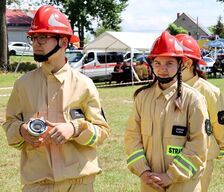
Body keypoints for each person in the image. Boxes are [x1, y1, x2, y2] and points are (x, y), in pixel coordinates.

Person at [2, 5, 110, 192]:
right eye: (33, 37)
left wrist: (75, 128)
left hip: (78, 184)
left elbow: (101, 132)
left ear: (63, 42)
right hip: (37, 184)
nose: (36, 42)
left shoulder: (84, 84)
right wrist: (21, 130)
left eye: (43, 37)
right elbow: (9, 123)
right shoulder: (23, 85)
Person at [124, 31, 209, 192]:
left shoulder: (194, 99)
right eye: (158, 63)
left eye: (169, 63)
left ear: (180, 65)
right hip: (150, 183)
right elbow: (131, 136)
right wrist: (143, 171)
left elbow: (199, 144)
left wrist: (171, 176)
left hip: (184, 185)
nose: (163, 69)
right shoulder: (142, 98)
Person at [176, 34, 224, 192]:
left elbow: (219, 124)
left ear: (188, 62)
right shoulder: (166, 89)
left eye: (174, 60)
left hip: (201, 157)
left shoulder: (209, 91)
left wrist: (221, 147)